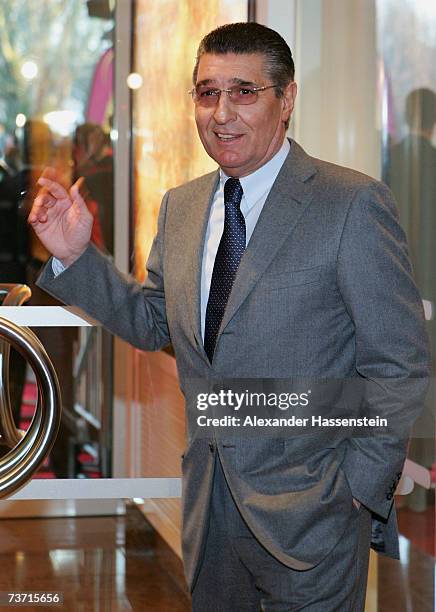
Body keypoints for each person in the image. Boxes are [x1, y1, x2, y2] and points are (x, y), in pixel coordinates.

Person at [29, 23, 429, 612]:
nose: (221, 112)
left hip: (314, 520)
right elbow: (154, 323)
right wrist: (76, 258)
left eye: (244, 91)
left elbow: (398, 363)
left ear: (285, 98)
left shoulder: (350, 204)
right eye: (207, 92)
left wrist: (356, 489)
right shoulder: (183, 205)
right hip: (210, 515)